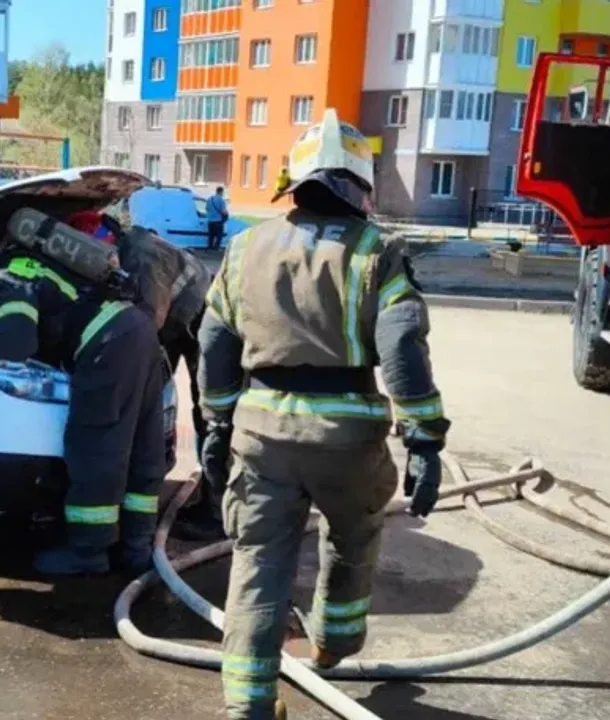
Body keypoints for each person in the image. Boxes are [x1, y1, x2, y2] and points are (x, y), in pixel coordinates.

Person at [198, 109, 451, 719]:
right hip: (348, 441)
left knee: (258, 563)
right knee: (352, 536)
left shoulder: (245, 247)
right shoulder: (377, 251)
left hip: (262, 440)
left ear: (296, 181)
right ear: (358, 185)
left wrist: (216, 423)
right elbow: (401, 345)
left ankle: (246, 708)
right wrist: (423, 439)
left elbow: (213, 340)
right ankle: (334, 643)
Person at [0, 217, 168, 576]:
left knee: (97, 448)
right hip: (140, 329)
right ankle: (136, 549)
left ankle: (88, 553)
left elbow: (14, 343)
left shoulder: (9, 274)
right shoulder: (56, 260)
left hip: (105, 344)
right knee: (143, 448)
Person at [66, 210, 220, 540]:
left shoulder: (141, 257)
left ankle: (217, 516)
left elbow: (146, 326)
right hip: (178, 324)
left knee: (212, 415)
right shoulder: (124, 250)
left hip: (203, 322)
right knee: (150, 404)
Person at [206, 186, 229, 251]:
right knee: (219, 235)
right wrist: (226, 214)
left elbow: (207, 209)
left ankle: (210, 247)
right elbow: (223, 211)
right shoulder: (221, 200)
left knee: (211, 235)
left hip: (210, 220)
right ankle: (216, 247)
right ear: (221, 192)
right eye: (222, 192)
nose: (223, 193)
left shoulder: (210, 199)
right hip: (218, 221)